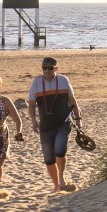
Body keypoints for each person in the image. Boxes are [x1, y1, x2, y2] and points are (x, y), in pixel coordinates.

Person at [27, 57, 84, 193]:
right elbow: (31, 104)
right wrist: (34, 121)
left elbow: (72, 100)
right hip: (45, 125)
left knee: (59, 151)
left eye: (50, 68)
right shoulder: (37, 82)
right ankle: (56, 185)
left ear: (56, 69)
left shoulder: (63, 80)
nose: (46, 70)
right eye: (44, 67)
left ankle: (61, 177)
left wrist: (78, 118)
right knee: (48, 158)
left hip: (63, 122)